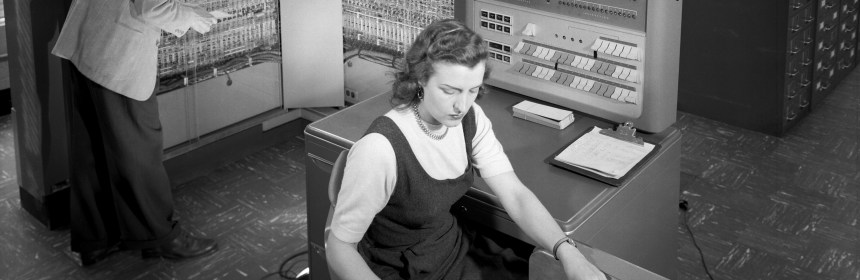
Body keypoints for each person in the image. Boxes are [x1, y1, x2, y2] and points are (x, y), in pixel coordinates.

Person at [325, 18, 607, 280]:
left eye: (472, 90)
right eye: (449, 91)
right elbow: (339, 248)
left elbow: (516, 194)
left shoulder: (471, 118)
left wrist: (568, 252)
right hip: (401, 269)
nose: (462, 105)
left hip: (452, 247)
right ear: (421, 79)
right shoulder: (379, 150)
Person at [51, 0, 219, 266]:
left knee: (93, 149)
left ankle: (95, 240)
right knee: (139, 149)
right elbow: (150, 7)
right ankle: (162, 238)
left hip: (90, 39)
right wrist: (193, 17)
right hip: (118, 54)